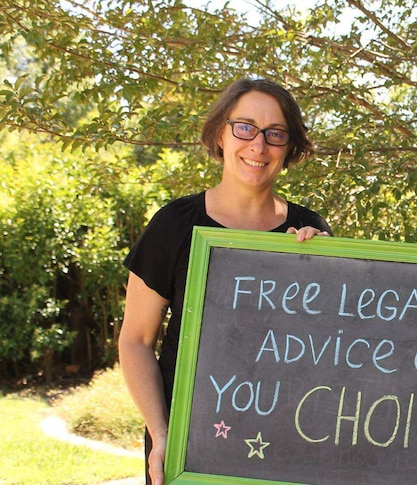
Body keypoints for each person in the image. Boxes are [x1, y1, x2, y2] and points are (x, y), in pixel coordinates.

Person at [118, 78, 332, 485]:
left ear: (288, 149)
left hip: (285, 448)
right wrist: (162, 435)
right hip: (189, 444)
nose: (259, 145)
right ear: (221, 133)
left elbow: (333, 351)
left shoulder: (311, 230)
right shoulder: (174, 225)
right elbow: (135, 341)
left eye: (276, 134)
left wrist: (320, 267)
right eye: (245, 127)